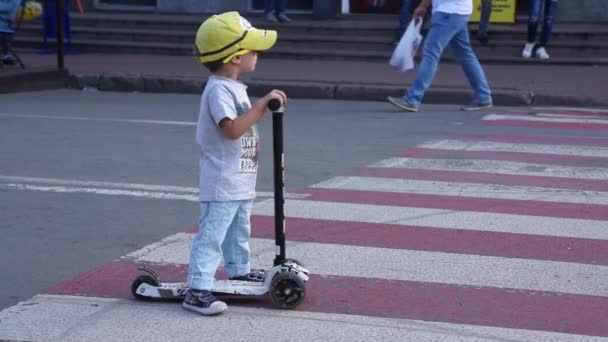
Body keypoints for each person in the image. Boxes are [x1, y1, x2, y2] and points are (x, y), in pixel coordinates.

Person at [186, 11, 287, 316]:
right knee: (213, 233)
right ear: (235, 57)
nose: (257, 54)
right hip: (222, 179)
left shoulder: (231, 87)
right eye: (253, 49)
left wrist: (260, 107)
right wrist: (259, 108)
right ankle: (198, 287)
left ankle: (238, 270)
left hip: (239, 177)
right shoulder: (218, 89)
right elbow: (230, 129)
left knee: (238, 229)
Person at [387, 0, 493, 112]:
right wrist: (423, 6)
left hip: (448, 13)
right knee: (466, 55)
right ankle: (483, 96)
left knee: (430, 54)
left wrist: (423, 6)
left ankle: (412, 99)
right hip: (460, 12)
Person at [0, 0, 20, 65]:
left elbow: (7, 8)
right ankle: (7, 56)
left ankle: (7, 56)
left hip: (5, 27)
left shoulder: (14, 1)